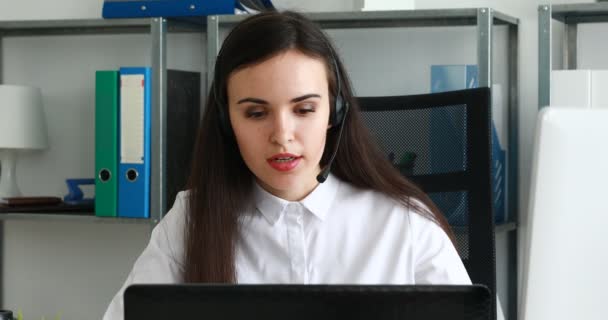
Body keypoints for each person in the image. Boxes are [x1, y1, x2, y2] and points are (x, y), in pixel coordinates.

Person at [103, 10, 470, 320]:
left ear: (334, 112)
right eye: (256, 112)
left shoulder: (404, 223)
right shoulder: (192, 220)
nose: (282, 135)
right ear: (225, 121)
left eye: (304, 109)